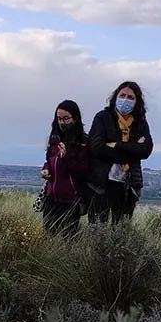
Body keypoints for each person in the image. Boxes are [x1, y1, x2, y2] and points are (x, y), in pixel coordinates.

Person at [87, 82, 154, 224]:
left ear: (137, 102)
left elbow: (146, 149)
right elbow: (97, 148)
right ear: (115, 97)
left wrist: (117, 145)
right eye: (122, 95)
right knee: (97, 226)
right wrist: (132, 151)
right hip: (101, 181)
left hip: (129, 183)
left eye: (130, 97)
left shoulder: (140, 122)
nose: (125, 100)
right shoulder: (102, 117)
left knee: (121, 228)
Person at [40, 100, 91, 237]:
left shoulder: (83, 143)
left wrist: (66, 157)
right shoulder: (54, 139)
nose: (62, 122)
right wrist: (46, 170)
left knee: (68, 237)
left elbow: (82, 171)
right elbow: (49, 161)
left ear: (75, 118)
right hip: (51, 197)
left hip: (71, 200)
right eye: (59, 118)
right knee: (48, 235)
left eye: (66, 118)